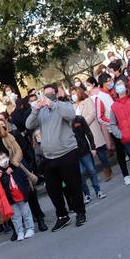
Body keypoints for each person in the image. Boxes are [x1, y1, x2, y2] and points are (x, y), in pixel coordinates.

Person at [26, 83, 88, 229]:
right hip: (49, 156)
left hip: (67, 152)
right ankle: (62, 215)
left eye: (50, 94)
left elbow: (71, 115)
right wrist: (35, 110)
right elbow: (29, 125)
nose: (47, 96)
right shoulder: (41, 111)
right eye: (45, 94)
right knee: (53, 189)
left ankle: (80, 212)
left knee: (74, 185)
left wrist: (53, 104)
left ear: (55, 94)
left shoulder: (63, 105)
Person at [0, 154, 36, 240]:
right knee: (15, 217)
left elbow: (24, 179)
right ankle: (19, 231)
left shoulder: (16, 168)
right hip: (11, 199)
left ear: (8, 158)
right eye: (0, 159)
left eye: (4, 157)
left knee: (26, 213)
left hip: (22, 195)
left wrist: (26, 190)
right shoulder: (0, 175)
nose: (3, 160)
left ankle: (30, 228)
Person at [70, 107, 104, 202]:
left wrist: (93, 147)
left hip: (84, 150)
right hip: (73, 153)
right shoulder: (64, 123)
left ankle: (98, 191)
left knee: (92, 170)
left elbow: (88, 133)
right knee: (80, 174)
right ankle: (86, 194)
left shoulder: (79, 119)